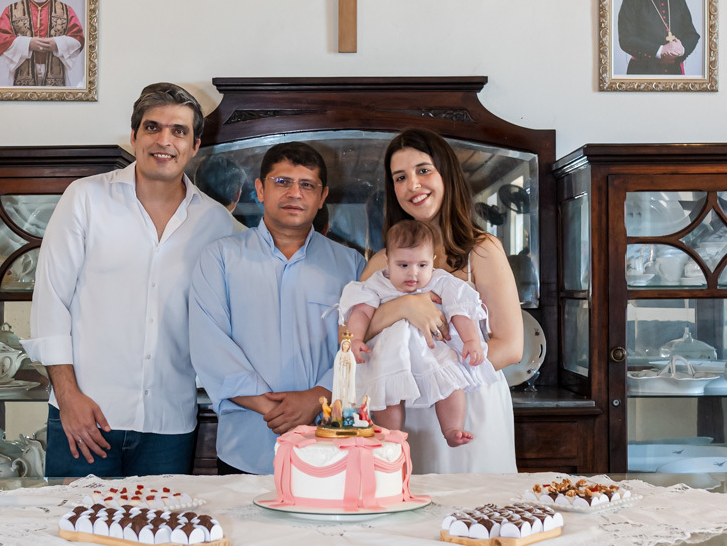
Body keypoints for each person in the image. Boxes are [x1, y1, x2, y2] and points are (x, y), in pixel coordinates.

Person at [24, 82, 234, 477]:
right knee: (75, 536)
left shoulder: (217, 223)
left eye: (179, 131)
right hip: (85, 417)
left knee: (157, 536)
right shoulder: (85, 199)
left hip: (170, 427)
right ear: (135, 136)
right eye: (153, 128)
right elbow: (50, 302)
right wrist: (68, 399)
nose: (164, 140)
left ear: (194, 145)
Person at [189, 142, 365, 475]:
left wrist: (318, 396)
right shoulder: (221, 258)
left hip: (327, 443)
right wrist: (266, 405)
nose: (294, 193)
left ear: (322, 196)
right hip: (246, 444)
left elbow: (362, 342)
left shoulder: (350, 265)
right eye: (282, 182)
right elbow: (208, 342)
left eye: (307, 185)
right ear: (260, 189)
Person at [360, 129, 523, 474]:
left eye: (423, 171)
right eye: (400, 177)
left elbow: (511, 346)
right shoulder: (380, 263)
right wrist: (402, 306)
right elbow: (351, 335)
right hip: (403, 406)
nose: (413, 185)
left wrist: (441, 379)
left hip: (469, 403)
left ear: (445, 174)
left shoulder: (481, 250)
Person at [339, 218, 497, 447]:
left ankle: (452, 428)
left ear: (432, 261)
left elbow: (460, 311)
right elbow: (361, 313)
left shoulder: (440, 281)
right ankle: (388, 438)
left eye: (422, 265)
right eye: (403, 265)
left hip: (431, 351)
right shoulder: (377, 284)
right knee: (385, 397)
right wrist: (355, 340)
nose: (413, 274)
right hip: (389, 357)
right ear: (388, 261)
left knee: (451, 385)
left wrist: (471, 339)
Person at [0, 0, 85, 87]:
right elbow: (1, 38)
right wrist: (28, 44)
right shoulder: (12, 10)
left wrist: (57, 44)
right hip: (22, 71)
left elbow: (78, 38)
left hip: (56, 72)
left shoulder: (65, 10)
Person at [617, 0, 700, 77]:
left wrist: (681, 49)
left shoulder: (679, 1)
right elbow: (626, 39)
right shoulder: (631, 0)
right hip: (642, 72)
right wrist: (660, 50)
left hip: (674, 72)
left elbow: (692, 34)